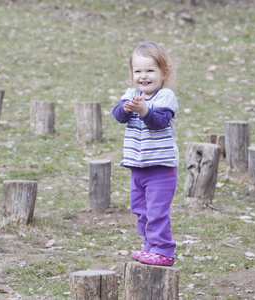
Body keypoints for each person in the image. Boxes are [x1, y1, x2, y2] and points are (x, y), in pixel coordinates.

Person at [112, 41, 179, 266]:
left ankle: (164, 250)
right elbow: (118, 116)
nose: (144, 76)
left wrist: (144, 111)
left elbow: (159, 122)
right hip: (137, 167)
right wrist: (125, 108)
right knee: (141, 210)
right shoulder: (131, 94)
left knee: (157, 211)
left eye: (150, 70)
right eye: (138, 70)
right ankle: (150, 245)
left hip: (160, 169)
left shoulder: (165, 96)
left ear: (164, 72)